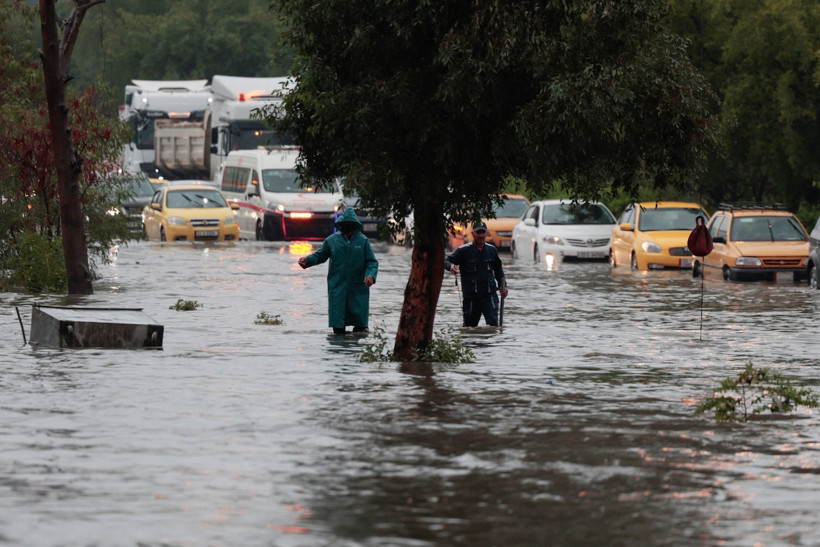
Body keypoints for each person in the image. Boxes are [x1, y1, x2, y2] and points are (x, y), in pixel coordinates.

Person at [298, 208, 378, 334]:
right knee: (338, 327)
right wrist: (307, 260)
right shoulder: (332, 240)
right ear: (340, 224)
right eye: (345, 223)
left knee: (360, 328)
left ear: (355, 225)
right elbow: (320, 256)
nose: (347, 226)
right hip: (337, 286)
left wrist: (370, 276)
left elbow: (372, 262)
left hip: (358, 288)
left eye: (350, 224)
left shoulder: (363, 241)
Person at [445, 221, 508, 327]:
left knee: (493, 326)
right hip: (471, 298)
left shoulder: (492, 250)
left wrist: (503, 287)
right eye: (478, 232)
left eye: (483, 232)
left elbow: (498, 270)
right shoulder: (463, 251)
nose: (481, 235)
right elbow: (446, 261)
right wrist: (451, 266)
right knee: (470, 328)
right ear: (473, 233)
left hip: (489, 296)